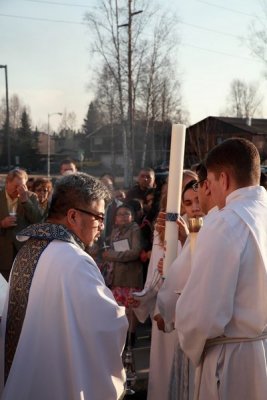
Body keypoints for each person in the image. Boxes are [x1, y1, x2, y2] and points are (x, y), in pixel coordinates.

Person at [0, 173, 128, 400]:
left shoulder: (28, 250)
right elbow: (106, 328)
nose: (101, 226)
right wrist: (121, 313)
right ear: (73, 216)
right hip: (59, 385)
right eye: (98, 217)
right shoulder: (75, 260)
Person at [176, 138, 267, 400]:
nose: (210, 194)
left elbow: (203, 314)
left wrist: (184, 318)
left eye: (211, 184)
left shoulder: (225, 222)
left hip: (234, 361)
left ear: (224, 180)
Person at [102, 204, 143, 346]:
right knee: (119, 309)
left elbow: (135, 252)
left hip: (130, 276)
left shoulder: (135, 229)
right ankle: (122, 338)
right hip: (116, 276)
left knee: (131, 310)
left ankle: (131, 338)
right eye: (120, 214)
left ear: (132, 217)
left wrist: (111, 255)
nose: (123, 217)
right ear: (115, 218)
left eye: (127, 214)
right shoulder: (114, 231)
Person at [0, 168, 42, 281]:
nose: (19, 189)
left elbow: (37, 221)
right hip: (2, 252)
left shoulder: (30, 196)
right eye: (16, 186)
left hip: (23, 254)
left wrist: (25, 200)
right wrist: (2, 224)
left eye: (22, 186)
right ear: (7, 183)